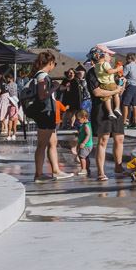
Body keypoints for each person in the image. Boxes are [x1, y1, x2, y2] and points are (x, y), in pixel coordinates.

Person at [86, 46, 128, 180]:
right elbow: (97, 92)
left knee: (119, 138)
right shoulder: (92, 73)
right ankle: (100, 172)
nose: (110, 57)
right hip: (100, 109)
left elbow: (119, 90)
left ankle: (118, 167)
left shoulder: (111, 71)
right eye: (108, 55)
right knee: (103, 140)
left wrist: (122, 86)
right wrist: (115, 91)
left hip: (116, 109)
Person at [29, 51, 71, 182]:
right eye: (54, 63)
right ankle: (39, 174)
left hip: (47, 113)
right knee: (42, 144)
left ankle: (56, 170)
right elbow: (42, 95)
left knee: (53, 142)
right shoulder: (42, 76)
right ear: (50, 63)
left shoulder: (40, 75)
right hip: (45, 113)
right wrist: (55, 87)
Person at [91, 45, 124, 121]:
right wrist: (118, 69)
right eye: (108, 55)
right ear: (103, 56)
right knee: (116, 95)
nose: (110, 57)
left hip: (103, 85)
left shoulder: (96, 66)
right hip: (111, 83)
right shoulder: (105, 64)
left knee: (107, 99)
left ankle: (110, 112)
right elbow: (109, 71)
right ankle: (117, 108)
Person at [121, 54, 136, 127]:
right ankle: (135, 122)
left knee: (125, 104)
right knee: (135, 105)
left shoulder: (128, 66)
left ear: (129, 59)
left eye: (126, 59)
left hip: (130, 86)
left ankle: (124, 122)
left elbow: (122, 76)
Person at [73, 109, 93, 175]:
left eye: (79, 119)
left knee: (82, 157)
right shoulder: (86, 124)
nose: (78, 121)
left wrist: (83, 143)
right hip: (88, 144)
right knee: (86, 157)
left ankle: (83, 169)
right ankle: (87, 168)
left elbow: (88, 135)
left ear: (84, 118)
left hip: (86, 144)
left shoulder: (86, 126)